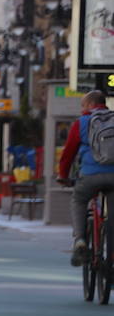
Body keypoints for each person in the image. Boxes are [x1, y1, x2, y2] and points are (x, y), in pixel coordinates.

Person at [57, 90, 114, 265]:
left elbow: (68, 154)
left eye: (83, 105)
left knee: (79, 200)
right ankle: (111, 257)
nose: (82, 109)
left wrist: (63, 176)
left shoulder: (81, 122)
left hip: (89, 175)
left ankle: (80, 240)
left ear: (90, 104)